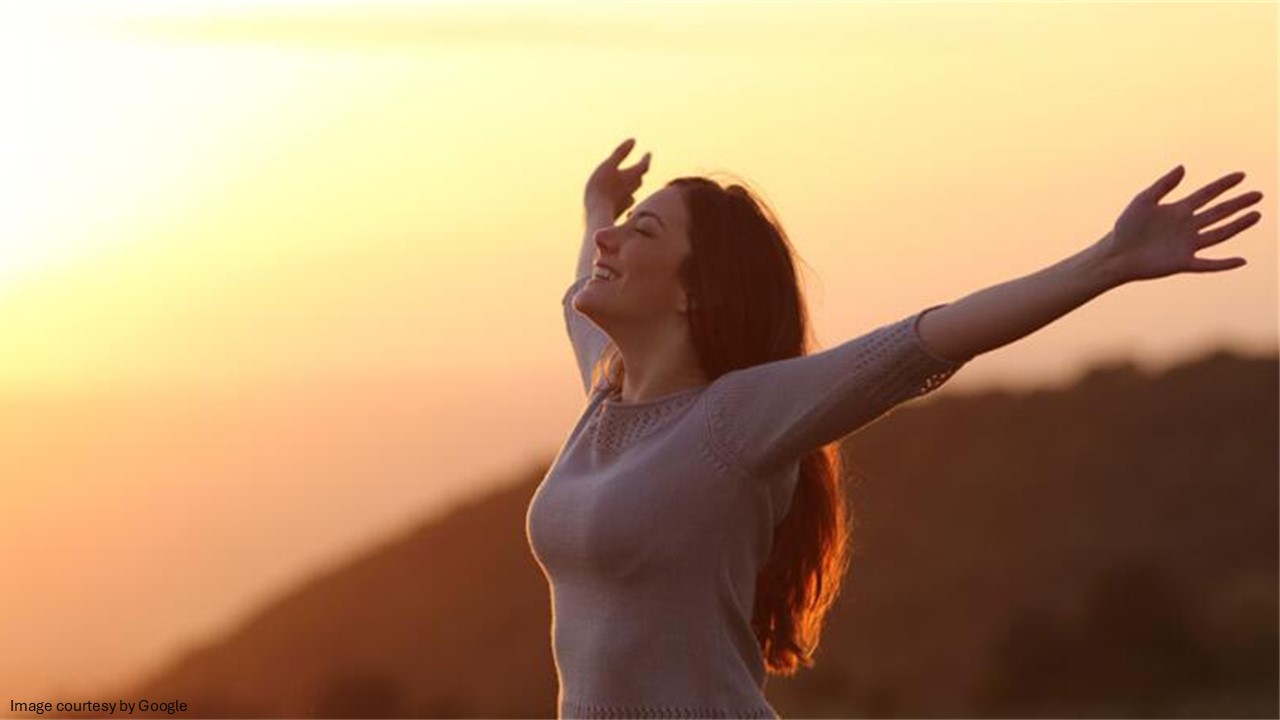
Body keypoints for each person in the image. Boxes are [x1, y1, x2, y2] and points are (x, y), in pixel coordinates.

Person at [525, 138, 1263, 719]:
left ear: (694, 291)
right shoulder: (606, 389)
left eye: (640, 231)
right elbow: (578, 281)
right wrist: (598, 205)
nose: (608, 243)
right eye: (615, 232)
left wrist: (1110, 260)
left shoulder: (735, 419)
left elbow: (922, 343)